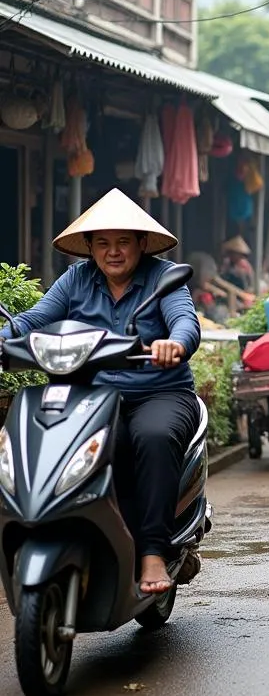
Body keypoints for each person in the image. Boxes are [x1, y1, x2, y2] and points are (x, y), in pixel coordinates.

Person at [0, 188, 201, 595]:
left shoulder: (163, 277)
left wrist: (174, 344)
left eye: (123, 242)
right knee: (70, 443)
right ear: (89, 247)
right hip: (91, 397)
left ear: (142, 244)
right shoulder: (75, 279)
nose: (113, 252)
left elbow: (185, 321)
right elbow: (36, 318)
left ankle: (152, 553)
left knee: (153, 437)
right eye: (103, 243)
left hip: (159, 393)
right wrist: (5, 336)